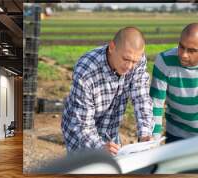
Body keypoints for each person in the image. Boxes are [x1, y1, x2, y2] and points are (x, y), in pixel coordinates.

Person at [61, 27, 153, 155]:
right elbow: (82, 125)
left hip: (111, 130)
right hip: (81, 135)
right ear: (111, 47)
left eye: (134, 61)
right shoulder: (86, 71)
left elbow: (141, 97)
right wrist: (100, 147)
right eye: (125, 59)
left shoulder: (137, 59)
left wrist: (145, 133)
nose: (129, 66)